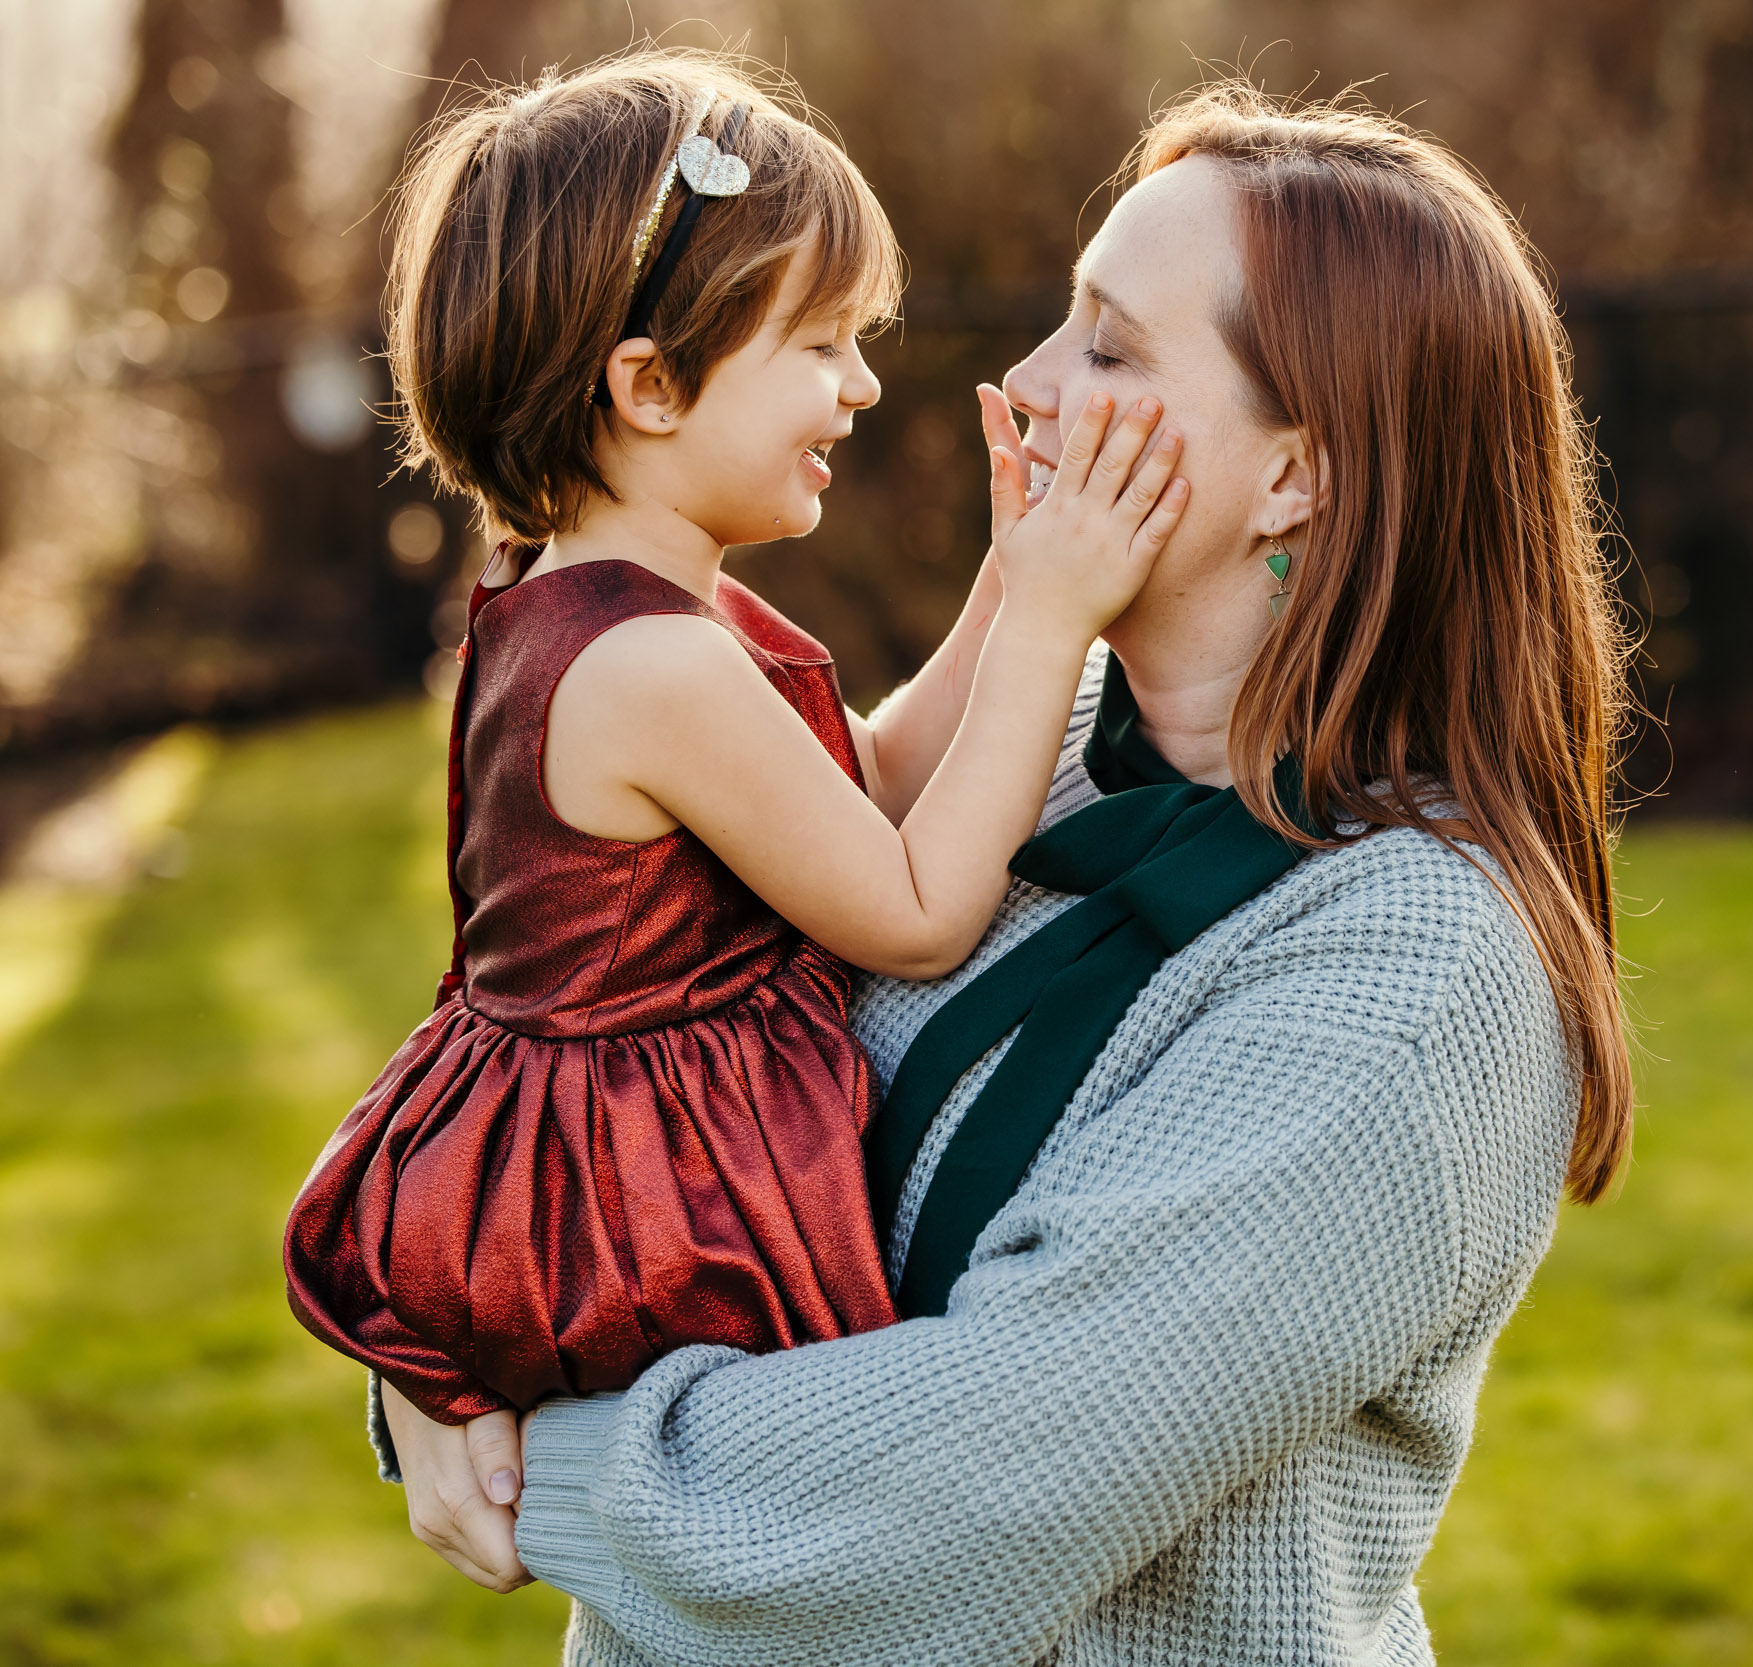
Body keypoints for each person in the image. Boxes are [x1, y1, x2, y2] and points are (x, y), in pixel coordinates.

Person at [384, 83, 1635, 1666]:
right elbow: (596, 1017)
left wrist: (520, 1456)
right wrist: (444, 1351)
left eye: (1109, 349)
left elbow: (968, 1486)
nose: (1025, 385)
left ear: (1296, 478)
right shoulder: (1030, 750)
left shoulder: (1413, 979)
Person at [283, 53, 1189, 1449]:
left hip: (619, 1144)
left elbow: (866, 787)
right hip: (647, 1206)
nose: (864, 386)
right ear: (647, 385)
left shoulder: (608, 592)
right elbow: (915, 911)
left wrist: (1011, 579)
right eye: (820, 346)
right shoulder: (651, 665)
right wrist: (1055, 627)